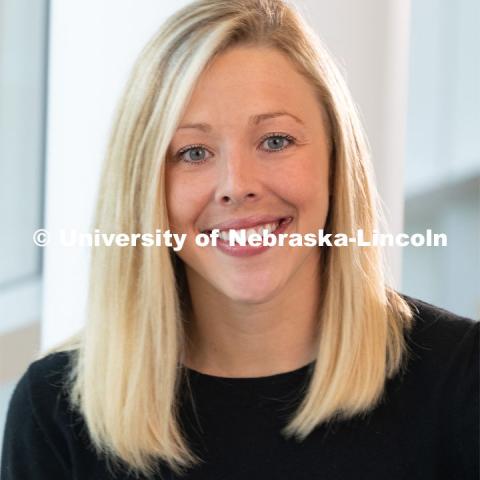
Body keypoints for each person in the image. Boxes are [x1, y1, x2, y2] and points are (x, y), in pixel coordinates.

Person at [1, 0, 478, 479]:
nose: (236, 183)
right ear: (143, 186)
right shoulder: (57, 413)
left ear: (336, 159)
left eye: (275, 141)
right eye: (193, 152)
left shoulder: (461, 381)